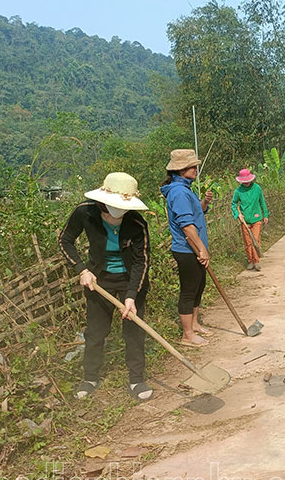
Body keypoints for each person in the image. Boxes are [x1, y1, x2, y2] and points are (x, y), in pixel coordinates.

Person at [59, 172, 152, 401]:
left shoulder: (137, 223)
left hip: (130, 280)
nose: (117, 218)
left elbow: (142, 261)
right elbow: (65, 240)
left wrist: (131, 296)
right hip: (98, 279)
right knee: (95, 332)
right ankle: (90, 377)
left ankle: (136, 380)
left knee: (134, 330)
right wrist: (82, 269)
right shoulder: (85, 212)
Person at [161, 149, 214, 348]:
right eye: (192, 167)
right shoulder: (179, 192)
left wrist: (204, 203)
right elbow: (187, 226)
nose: (195, 170)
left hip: (195, 247)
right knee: (189, 290)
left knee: (199, 286)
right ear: (180, 169)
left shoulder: (185, 189)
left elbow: (194, 211)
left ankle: (194, 324)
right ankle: (187, 334)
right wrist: (202, 249)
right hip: (187, 249)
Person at [231, 168, 269, 272]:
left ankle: (256, 261)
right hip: (245, 220)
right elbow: (234, 204)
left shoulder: (257, 188)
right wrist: (238, 215)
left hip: (256, 219)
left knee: (255, 240)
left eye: (248, 181)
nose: (246, 183)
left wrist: (265, 214)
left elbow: (262, 202)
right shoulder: (238, 191)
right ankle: (250, 260)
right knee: (247, 242)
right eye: (244, 181)